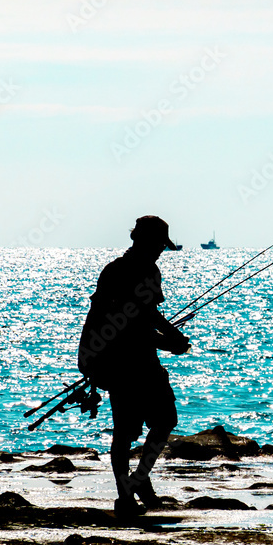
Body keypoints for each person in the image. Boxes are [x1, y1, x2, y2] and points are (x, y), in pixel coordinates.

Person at [78, 216, 191, 518]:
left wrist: (168, 338)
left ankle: (135, 485)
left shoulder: (115, 269)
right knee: (139, 427)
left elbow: (144, 317)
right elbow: (140, 323)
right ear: (144, 241)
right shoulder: (139, 271)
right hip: (124, 362)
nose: (161, 251)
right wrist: (173, 340)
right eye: (159, 245)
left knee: (150, 423)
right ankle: (127, 492)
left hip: (124, 358)